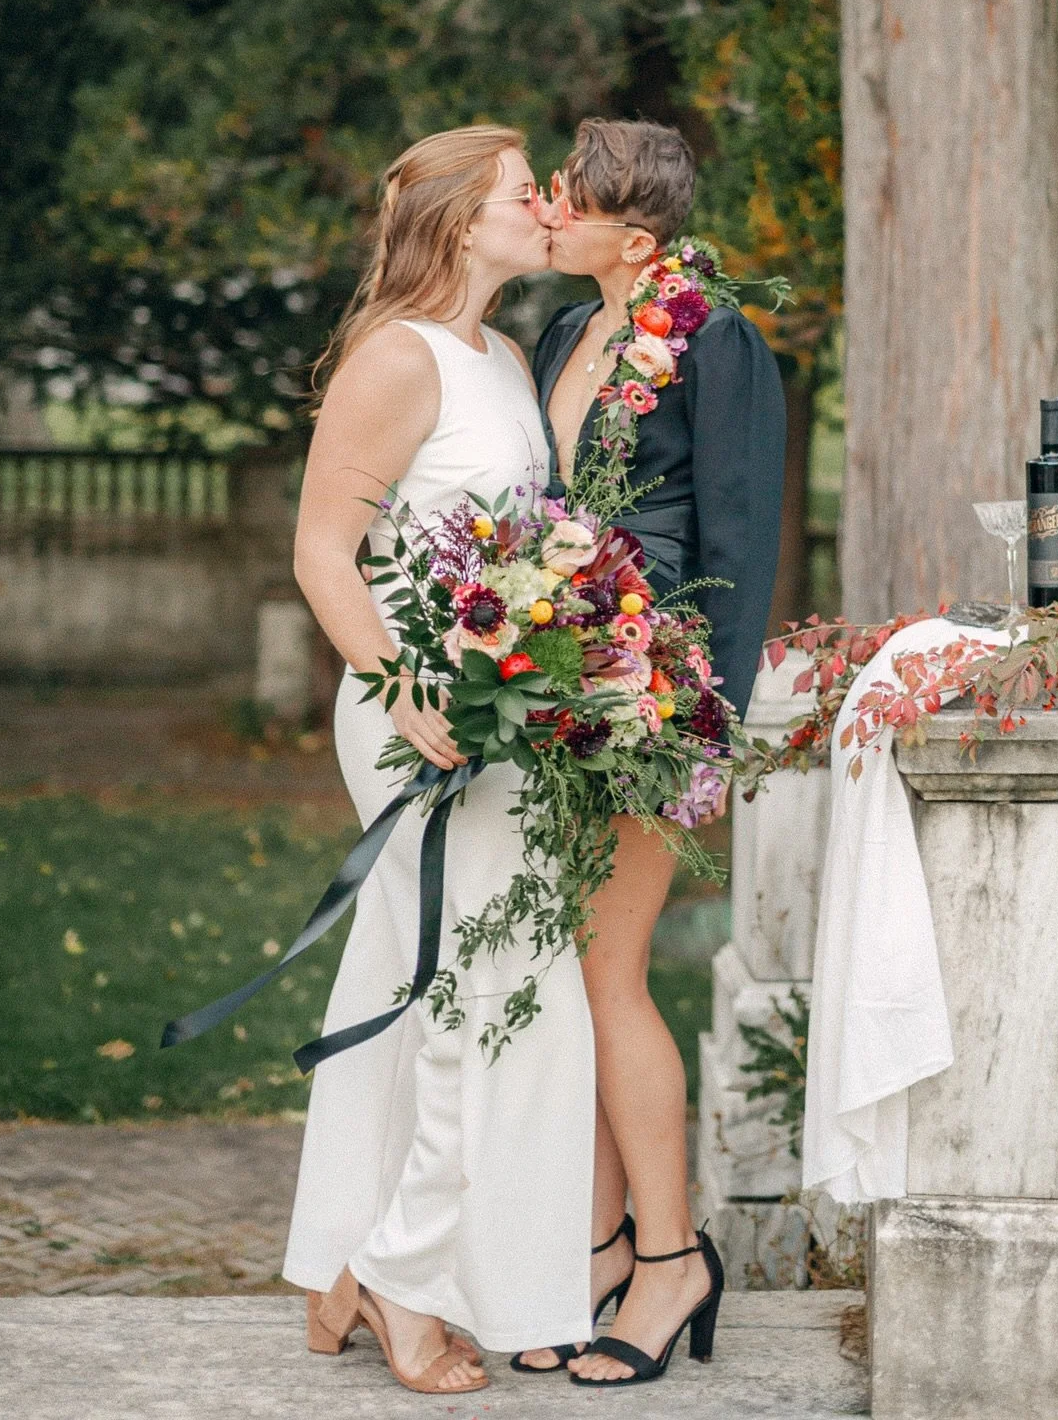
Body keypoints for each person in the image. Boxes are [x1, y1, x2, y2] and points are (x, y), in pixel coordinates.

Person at [281, 126, 596, 1396]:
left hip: (499, 718)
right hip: (415, 714)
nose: (547, 207)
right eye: (530, 194)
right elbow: (321, 550)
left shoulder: (508, 356)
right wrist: (400, 679)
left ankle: (344, 1267)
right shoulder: (394, 358)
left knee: (421, 984)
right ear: (468, 222)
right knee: (487, 981)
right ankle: (411, 1283)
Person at [519, 116, 786, 1385]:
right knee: (578, 976)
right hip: (564, 686)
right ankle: (602, 1247)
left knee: (610, 972)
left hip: (657, 696)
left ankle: (671, 1258)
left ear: (636, 238)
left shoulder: (717, 341)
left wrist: (708, 732)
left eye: (566, 200)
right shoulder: (567, 333)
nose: (547, 212)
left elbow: (740, 533)